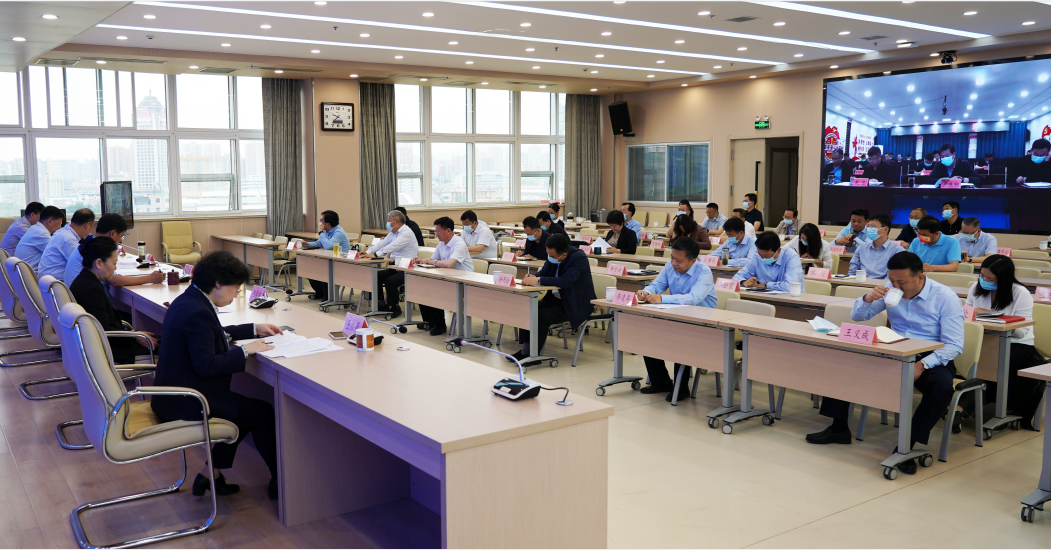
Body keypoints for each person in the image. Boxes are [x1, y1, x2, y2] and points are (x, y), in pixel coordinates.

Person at [807, 252, 962, 475]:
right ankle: (839, 427)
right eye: (891, 280)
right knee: (846, 364)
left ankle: (907, 445)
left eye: (901, 282)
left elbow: (954, 345)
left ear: (920, 277)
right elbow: (859, 317)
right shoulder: (890, 289)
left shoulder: (945, 297)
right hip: (894, 348)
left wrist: (922, 365)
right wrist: (869, 298)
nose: (895, 286)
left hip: (932, 355)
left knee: (941, 388)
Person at [150, 251, 282, 500]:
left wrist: (253, 329)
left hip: (175, 392)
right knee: (261, 413)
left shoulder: (190, 300)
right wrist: (245, 351)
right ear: (218, 283)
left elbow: (210, 333)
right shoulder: (197, 311)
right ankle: (281, 481)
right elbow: (206, 365)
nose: (236, 295)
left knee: (246, 411)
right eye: (235, 289)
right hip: (188, 400)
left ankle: (211, 474)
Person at [964, 255, 1045, 430]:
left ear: (1004, 278)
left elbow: (1023, 331)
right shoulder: (975, 288)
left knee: (990, 361)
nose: (984, 281)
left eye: (990, 279)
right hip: (984, 340)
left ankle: (962, 407)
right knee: (966, 356)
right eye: (982, 276)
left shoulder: (1020, 293)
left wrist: (1000, 321)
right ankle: (965, 406)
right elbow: (966, 315)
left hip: (1016, 343)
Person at [636, 238, 715, 402]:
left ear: (693, 260)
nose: (673, 263)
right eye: (672, 258)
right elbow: (657, 285)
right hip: (678, 316)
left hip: (704, 322)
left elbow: (693, 298)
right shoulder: (669, 266)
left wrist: (662, 299)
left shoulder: (704, 272)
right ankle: (662, 382)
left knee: (681, 339)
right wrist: (646, 292)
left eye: (679, 260)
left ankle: (682, 388)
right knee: (648, 336)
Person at [68, 236, 157, 365]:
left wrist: (134, 334)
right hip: (114, 351)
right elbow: (105, 332)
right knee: (171, 346)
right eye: (114, 263)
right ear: (99, 263)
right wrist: (135, 337)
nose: (115, 268)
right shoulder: (91, 290)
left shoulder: (84, 279)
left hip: (111, 344)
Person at [515, 234, 595, 362]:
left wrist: (538, 280)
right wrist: (533, 277)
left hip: (574, 304)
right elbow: (544, 272)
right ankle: (526, 349)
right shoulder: (553, 256)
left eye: (552, 256)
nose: (550, 258)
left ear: (564, 254)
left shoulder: (578, 258)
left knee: (541, 316)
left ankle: (534, 355)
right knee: (528, 308)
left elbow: (566, 281)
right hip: (556, 300)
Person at [63, 213, 164, 288]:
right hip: (87, 300)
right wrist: (150, 278)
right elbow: (114, 281)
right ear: (113, 233)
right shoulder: (98, 247)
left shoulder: (90, 241)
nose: (120, 240)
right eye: (121, 236)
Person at [416, 217, 473, 336]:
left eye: (438, 232)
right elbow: (432, 259)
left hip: (464, 282)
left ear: (448, 230)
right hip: (448, 279)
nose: (436, 235)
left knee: (436, 292)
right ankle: (429, 322)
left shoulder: (459, 243)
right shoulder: (441, 243)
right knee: (422, 290)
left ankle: (440, 325)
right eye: (435, 232)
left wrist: (432, 262)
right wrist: (422, 261)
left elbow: (449, 264)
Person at [362, 209, 419, 318]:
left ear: (396, 222)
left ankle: (395, 307)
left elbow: (393, 246)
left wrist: (376, 255)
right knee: (376, 276)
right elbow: (382, 244)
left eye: (389, 221)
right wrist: (367, 252)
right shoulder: (393, 232)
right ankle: (381, 304)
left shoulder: (406, 232)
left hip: (408, 268)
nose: (387, 223)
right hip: (396, 265)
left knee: (390, 281)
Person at [732, 231, 804, 292]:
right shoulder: (757, 257)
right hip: (766, 298)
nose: (763, 258)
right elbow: (737, 276)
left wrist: (766, 285)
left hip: (792, 300)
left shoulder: (791, 257)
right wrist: (744, 282)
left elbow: (790, 286)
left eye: (767, 256)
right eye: (761, 255)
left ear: (778, 251)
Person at [304, 210, 351, 301]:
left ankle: (329, 296)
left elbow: (328, 246)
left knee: (324, 271)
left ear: (327, 224)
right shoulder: (326, 231)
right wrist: (307, 244)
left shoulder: (339, 232)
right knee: (310, 270)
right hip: (330, 259)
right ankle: (320, 293)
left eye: (321, 220)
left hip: (342, 261)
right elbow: (320, 243)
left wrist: (321, 233)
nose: (320, 222)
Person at [38, 208, 94, 281]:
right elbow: (82, 264)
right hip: (56, 283)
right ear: (88, 225)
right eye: (92, 227)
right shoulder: (68, 239)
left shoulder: (63, 232)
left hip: (48, 280)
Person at [849, 214, 904, 280]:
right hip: (860, 283)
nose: (869, 229)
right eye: (868, 226)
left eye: (873, 226)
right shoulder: (862, 248)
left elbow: (892, 276)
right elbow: (852, 271)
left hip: (882, 285)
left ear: (885, 229)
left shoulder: (897, 251)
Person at [14, 205, 64, 270]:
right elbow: (57, 254)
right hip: (32, 273)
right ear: (49, 221)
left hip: (25, 271)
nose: (60, 227)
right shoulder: (41, 234)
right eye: (59, 223)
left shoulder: (35, 228)